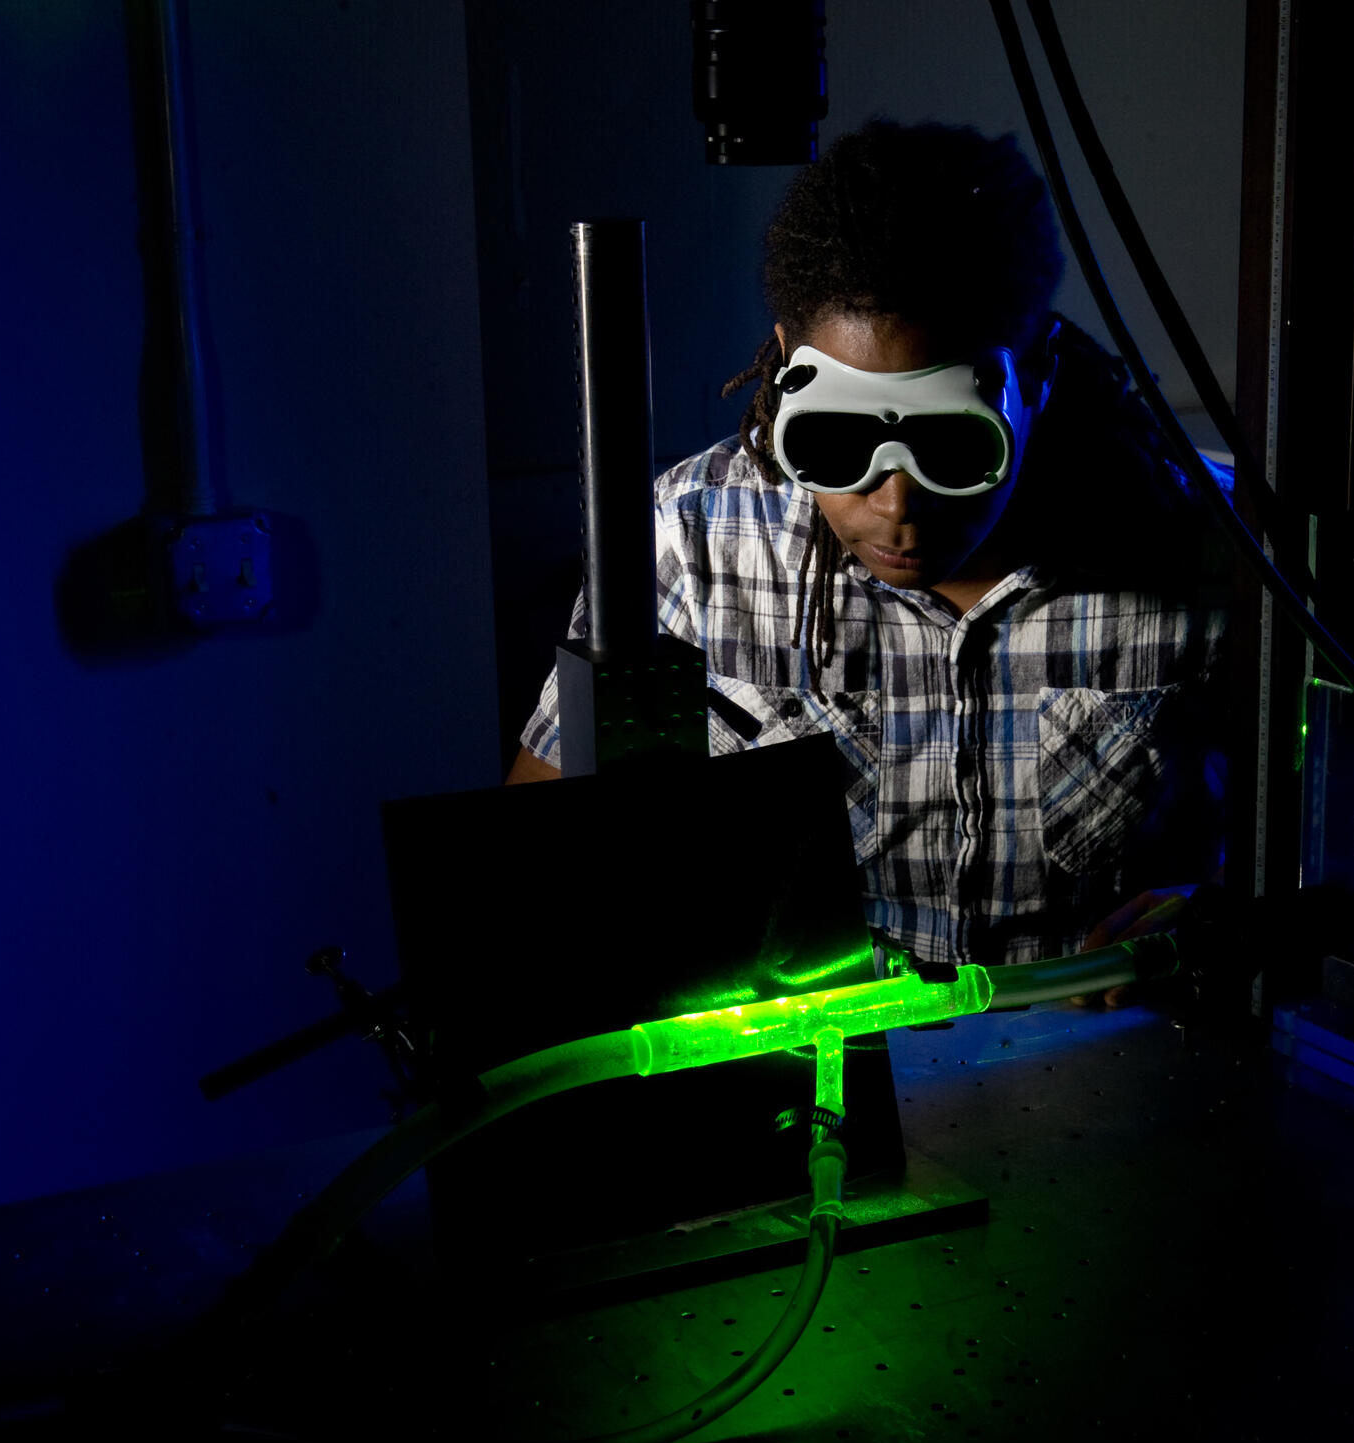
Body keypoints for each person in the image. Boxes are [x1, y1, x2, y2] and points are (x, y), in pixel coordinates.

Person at [509, 121, 1229, 1001]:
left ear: (1034, 374)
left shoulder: (1191, 544)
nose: (896, 507)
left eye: (953, 451)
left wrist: (1215, 912)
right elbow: (538, 859)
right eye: (841, 443)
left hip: (1105, 1071)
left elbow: (1309, 827)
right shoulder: (692, 538)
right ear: (783, 366)